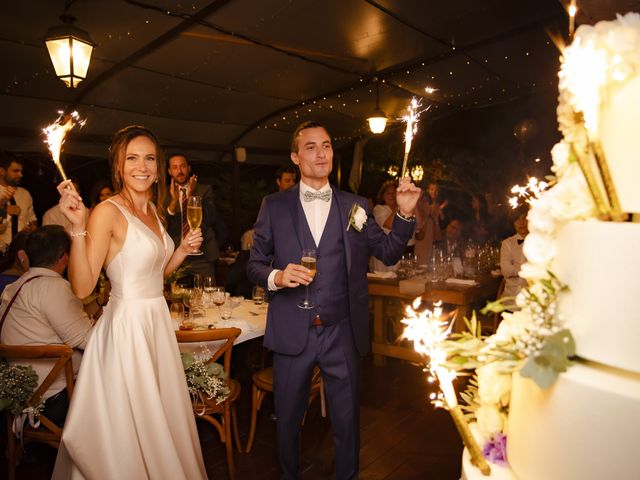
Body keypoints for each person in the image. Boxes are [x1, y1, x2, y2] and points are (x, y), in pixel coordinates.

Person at [247, 121, 420, 479]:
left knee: (347, 421)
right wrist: (277, 277)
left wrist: (403, 214)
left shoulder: (354, 206)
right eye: (310, 147)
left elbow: (387, 252)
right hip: (293, 329)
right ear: (296, 157)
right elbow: (254, 265)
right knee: (288, 421)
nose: (321, 152)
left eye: (325, 145)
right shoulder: (274, 206)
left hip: (341, 330)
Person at [51, 126, 207, 479]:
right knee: (128, 433)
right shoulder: (107, 211)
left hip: (156, 326)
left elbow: (154, 276)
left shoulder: (153, 209)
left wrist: (180, 250)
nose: (142, 166)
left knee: (159, 420)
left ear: (159, 165)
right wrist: (78, 226)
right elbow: (82, 287)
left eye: (150, 158)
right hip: (127, 333)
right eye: (132, 158)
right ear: (118, 167)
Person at [0, 225, 96, 427]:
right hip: (54, 398)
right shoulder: (53, 287)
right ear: (64, 257)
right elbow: (88, 341)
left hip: (19, 393)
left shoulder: (15, 286)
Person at [166, 153, 228, 278]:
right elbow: (163, 225)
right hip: (175, 256)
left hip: (203, 256)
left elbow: (211, 218)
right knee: (175, 295)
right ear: (169, 171)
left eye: (183, 166)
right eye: (175, 167)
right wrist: (173, 203)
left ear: (189, 168)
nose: (179, 171)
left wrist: (192, 196)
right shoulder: (164, 193)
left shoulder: (204, 189)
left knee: (207, 294)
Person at [369, 179, 415, 273]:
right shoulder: (379, 209)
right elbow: (389, 225)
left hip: (399, 254)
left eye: (394, 193)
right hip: (382, 257)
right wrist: (399, 206)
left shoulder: (402, 210)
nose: (392, 196)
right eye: (388, 193)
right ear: (383, 196)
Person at [0, 153, 37, 254]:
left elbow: (32, 220)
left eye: (21, 171)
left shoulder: (24, 194)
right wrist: (3, 210)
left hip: (21, 251)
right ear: (2, 171)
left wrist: (31, 228)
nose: (21, 175)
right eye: (16, 171)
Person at [500, 205, 529, 309]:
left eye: (524, 219)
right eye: (517, 220)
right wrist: (530, 270)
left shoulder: (540, 242)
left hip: (533, 301)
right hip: (511, 300)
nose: (521, 223)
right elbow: (506, 271)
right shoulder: (507, 243)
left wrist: (516, 269)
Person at [414, 181, 447, 265]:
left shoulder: (432, 213)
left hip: (432, 255)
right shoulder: (416, 214)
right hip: (420, 256)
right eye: (423, 201)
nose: (426, 204)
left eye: (427, 202)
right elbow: (419, 236)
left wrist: (436, 219)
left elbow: (437, 238)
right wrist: (427, 215)